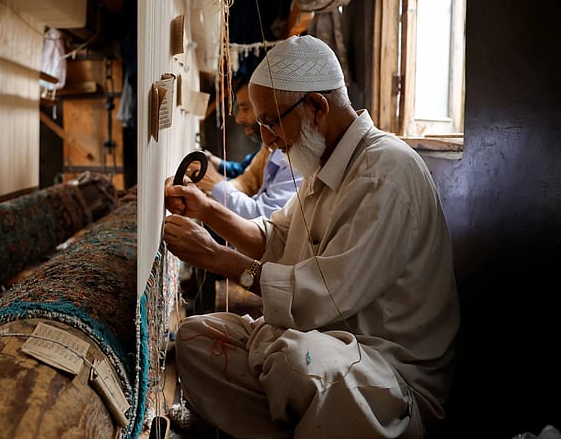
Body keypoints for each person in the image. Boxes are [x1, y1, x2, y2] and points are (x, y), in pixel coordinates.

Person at [163, 35, 459, 438]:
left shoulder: (385, 175)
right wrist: (207, 209)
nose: (265, 139)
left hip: (385, 376)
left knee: (293, 359)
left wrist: (216, 257)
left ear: (316, 108)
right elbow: (277, 238)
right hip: (318, 348)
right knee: (195, 338)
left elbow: (323, 296)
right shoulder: (323, 163)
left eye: (269, 120)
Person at [191, 85, 302, 220]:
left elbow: (264, 217)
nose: (238, 118)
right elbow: (248, 180)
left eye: (245, 108)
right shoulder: (272, 150)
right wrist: (210, 190)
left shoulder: (296, 161)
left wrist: (216, 185)